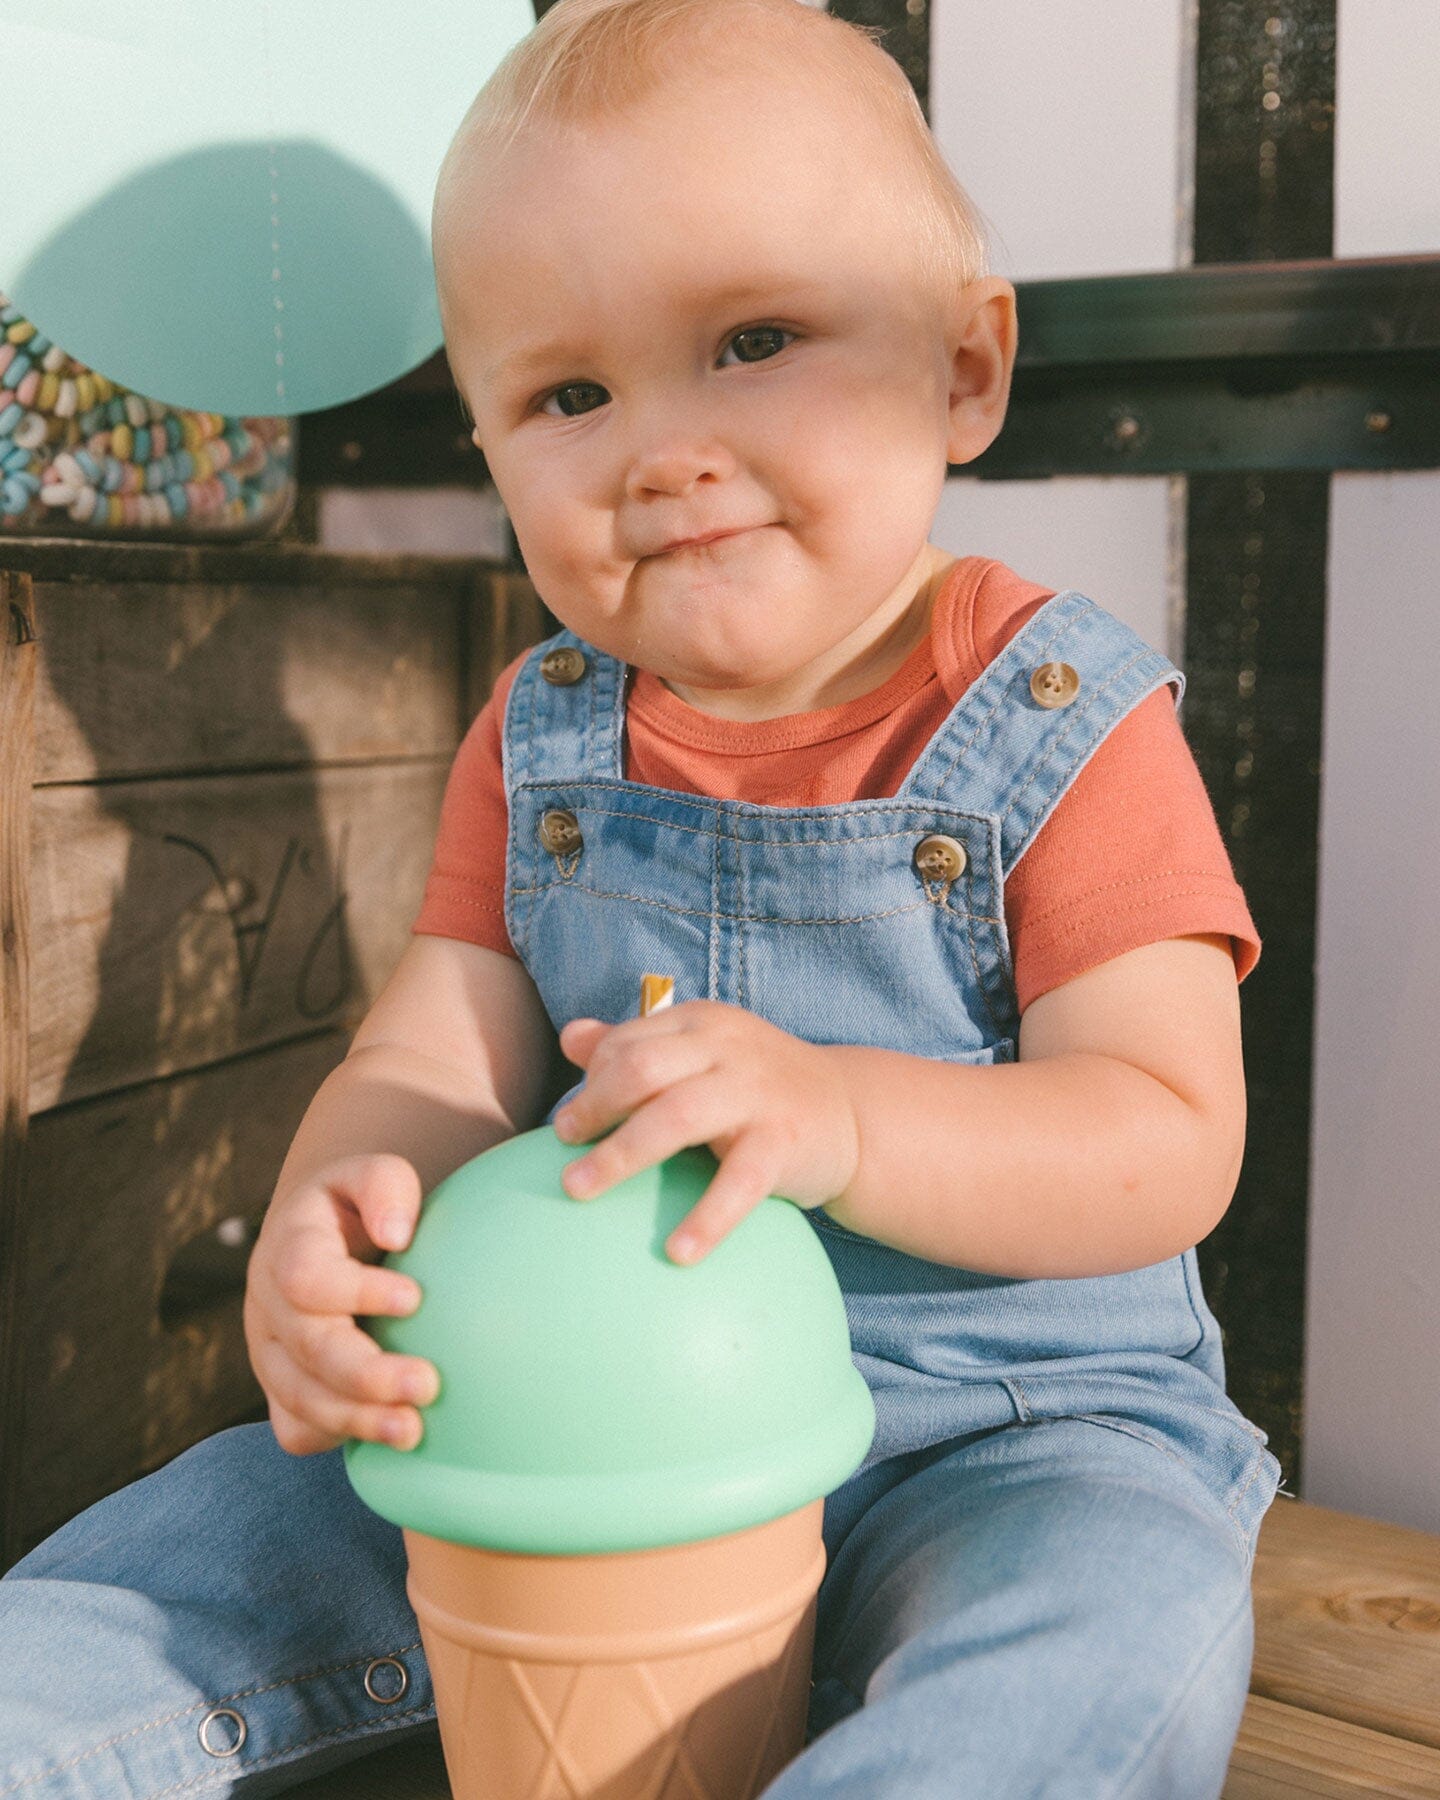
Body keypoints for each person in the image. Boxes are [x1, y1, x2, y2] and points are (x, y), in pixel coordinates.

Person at [0, 0, 1282, 1793]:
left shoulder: (1064, 721)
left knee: (1097, 1644)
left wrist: (835, 1112)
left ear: (964, 368)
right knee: (164, 1574)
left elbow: (1164, 1134)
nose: (659, 449)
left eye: (755, 340)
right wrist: (332, 1221)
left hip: (1010, 1430)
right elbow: (430, 1064)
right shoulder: (543, 743)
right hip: (569, 1413)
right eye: (569, 393)